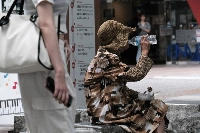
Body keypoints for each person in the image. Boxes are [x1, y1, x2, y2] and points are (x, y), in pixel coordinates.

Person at [84, 20, 168, 133]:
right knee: (158, 107)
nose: (127, 39)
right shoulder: (107, 59)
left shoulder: (103, 57)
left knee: (150, 106)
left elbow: (117, 87)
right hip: (108, 112)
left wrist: (139, 95)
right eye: (124, 36)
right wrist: (144, 52)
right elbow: (136, 75)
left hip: (102, 111)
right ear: (118, 39)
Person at [18, 0, 77, 133]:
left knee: (54, 118)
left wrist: (61, 43)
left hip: (46, 53)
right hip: (45, 59)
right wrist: (59, 70)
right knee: (54, 120)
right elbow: (45, 23)